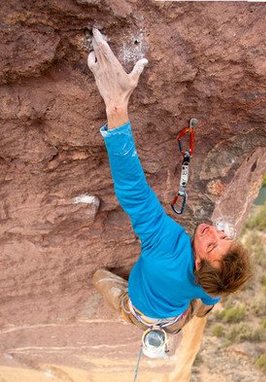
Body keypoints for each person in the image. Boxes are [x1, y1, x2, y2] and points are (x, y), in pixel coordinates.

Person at [88, 29, 251, 336]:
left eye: (212, 244)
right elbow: (214, 282)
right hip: (176, 319)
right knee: (201, 304)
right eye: (223, 236)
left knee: (100, 278)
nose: (211, 231)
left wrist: (115, 106)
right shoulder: (212, 285)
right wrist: (217, 250)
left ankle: (128, 304)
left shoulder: (166, 246)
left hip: (137, 309)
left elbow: (134, 192)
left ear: (200, 266)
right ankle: (193, 311)